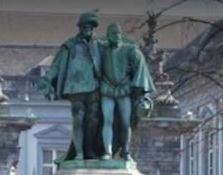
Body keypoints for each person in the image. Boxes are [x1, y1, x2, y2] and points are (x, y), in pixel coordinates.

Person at [40, 12, 103, 161]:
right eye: (84, 26)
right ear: (80, 27)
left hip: (95, 87)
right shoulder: (70, 45)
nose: (86, 28)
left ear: (93, 28)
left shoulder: (99, 45)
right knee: (78, 120)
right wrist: (47, 79)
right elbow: (56, 66)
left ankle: (88, 149)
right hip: (75, 88)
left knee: (94, 120)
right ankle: (80, 153)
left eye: (89, 26)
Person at [97, 22, 154, 161]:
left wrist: (142, 93)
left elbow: (140, 68)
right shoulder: (102, 49)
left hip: (124, 90)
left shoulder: (130, 50)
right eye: (113, 34)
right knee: (108, 120)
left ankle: (126, 151)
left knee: (125, 122)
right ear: (108, 36)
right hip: (107, 90)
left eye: (118, 33)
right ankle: (108, 151)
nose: (116, 36)